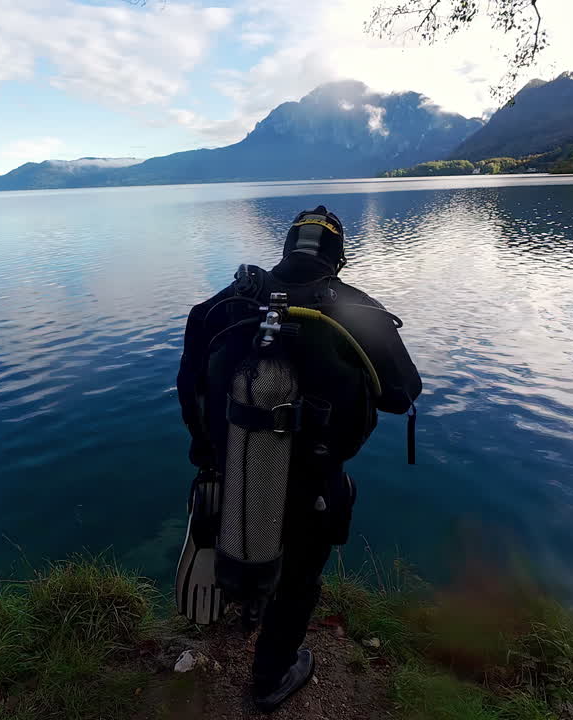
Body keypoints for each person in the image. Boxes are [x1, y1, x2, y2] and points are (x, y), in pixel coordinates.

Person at [175, 205, 422, 712]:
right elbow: (403, 393)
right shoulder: (357, 310)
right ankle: (270, 676)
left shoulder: (225, 304)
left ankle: (244, 608)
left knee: (243, 527)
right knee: (302, 578)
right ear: (338, 258)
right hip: (314, 477)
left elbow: (189, 384)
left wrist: (206, 452)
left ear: (287, 248)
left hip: (230, 465)